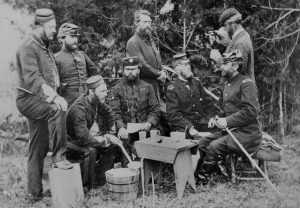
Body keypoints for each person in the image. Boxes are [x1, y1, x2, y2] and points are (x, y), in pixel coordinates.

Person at [14, 8, 72, 200]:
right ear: (40, 26)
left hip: (40, 99)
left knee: (38, 146)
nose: (55, 31)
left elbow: (49, 75)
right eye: (52, 27)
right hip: (28, 99)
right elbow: (33, 80)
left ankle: (33, 193)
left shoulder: (44, 45)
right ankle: (59, 157)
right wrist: (55, 97)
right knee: (57, 109)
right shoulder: (28, 46)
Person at [201, 49, 262, 179]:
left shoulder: (247, 84)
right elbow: (227, 110)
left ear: (235, 66)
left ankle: (202, 179)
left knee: (213, 147)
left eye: (225, 64)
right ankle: (211, 170)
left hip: (247, 133)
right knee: (202, 142)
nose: (221, 67)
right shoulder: (226, 84)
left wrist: (227, 121)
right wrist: (216, 118)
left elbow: (250, 111)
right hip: (232, 131)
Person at [166, 53, 220, 182]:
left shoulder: (196, 82)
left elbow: (208, 103)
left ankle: (209, 168)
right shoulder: (172, 88)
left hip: (200, 122)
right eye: (185, 65)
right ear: (178, 69)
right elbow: (173, 115)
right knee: (183, 142)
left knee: (220, 133)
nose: (189, 67)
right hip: (183, 125)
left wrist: (212, 117)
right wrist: (189, 127)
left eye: (189, 64)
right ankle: (186, 173)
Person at [66, 75, 122, 189]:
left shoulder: (95, 100)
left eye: (106, 90)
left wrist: (111, 133)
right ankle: (87, 187)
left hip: (82, 138)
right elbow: (84, 138)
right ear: (91, 91)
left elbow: (109, 113)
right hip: (71, 143)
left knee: (112, 145)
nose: (105, 94)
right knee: (91, 150)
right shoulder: (79, 109)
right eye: (102, 91)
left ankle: (100, 180)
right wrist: (104, 140)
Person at [109, 57, 161, 164]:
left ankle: (150, 171)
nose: (130, 72)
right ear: (123, 71)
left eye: (133, 69)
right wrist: (121, 127)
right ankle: (129, 171)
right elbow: (114, 112)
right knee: (124, 139)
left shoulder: (147, 87)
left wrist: (149, 122)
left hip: (144, 126)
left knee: (154, 136)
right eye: (127, 69)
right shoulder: (116, 89)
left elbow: (155, 109)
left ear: (138, 70)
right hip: (127, 128)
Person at [126, 9, 168, 106]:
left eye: (150, 22)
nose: (148, 25)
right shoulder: (133, 42)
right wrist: (159, 74)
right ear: (137, 23)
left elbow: (158, 61)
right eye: (145, 22)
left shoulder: (150, 40)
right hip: (143, 87)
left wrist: (164, 72)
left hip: (156, 85)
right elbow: (142, 65)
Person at [55, 23, 99, 106]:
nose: (75, 40)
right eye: (71, 36)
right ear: (62, 38)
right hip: (68, 103)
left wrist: (93, 91)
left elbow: (95, 73)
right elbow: (53, 84)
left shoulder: (82, 55)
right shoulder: (56, 59)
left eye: (76, 37)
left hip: (86, 99)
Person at [219, 8, 255, 82]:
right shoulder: (241, 37)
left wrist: (217, 58)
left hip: (240, 90)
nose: (224, 29)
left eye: (225, 26)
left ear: (232, 23)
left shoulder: (240, 42)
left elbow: (235, 70)